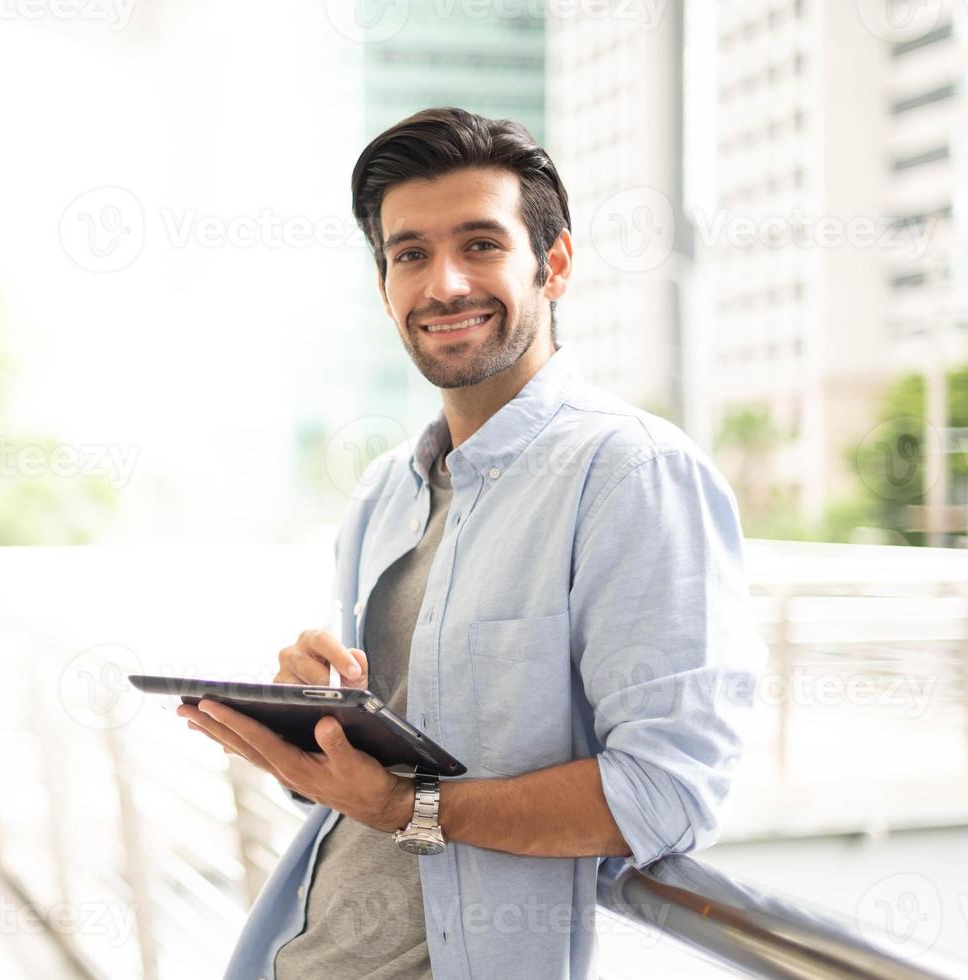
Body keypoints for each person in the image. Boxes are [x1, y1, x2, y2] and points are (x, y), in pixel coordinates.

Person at [178, 106, 765, 980]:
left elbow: (665, 793)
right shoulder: (387, 489)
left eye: (481, 245)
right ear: (385, 286)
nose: (444, 283)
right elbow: (371, 790)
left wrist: (408, 806)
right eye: (410, 254)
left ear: (553, 263)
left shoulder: (633, 474)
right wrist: (313, 736)